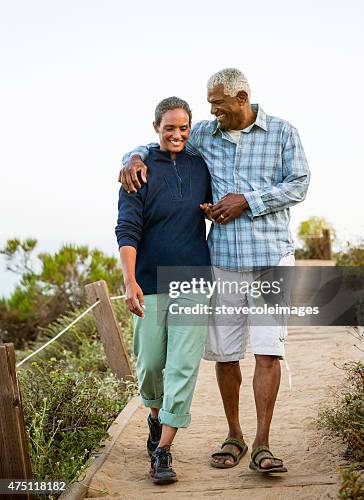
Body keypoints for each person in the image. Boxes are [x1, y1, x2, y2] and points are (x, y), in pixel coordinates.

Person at [119, 68, 310, 475]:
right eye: (209, 105)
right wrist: (130, 158)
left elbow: (300, 183)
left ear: (241, 97)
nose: (212, 112)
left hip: (271, 258)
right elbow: (163, 138)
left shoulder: (282, 132)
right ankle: (234, 435)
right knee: (225, 356)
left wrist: (248, 200)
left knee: (267, 350)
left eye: (218, 104)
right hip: (220, 261)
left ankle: (262, 443)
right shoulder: (206, 134)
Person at [115, 96, 212, 485]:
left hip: (194, 279)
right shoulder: (137, 170)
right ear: (156, 127)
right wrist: (129, 279)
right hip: (151, 280)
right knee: (151, 363)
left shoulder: (202, 165)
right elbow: (127, 227)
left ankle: (164, 450)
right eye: (169, 127)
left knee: (184, 366)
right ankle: (155, 418)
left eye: (183, 127)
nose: (177, 134)